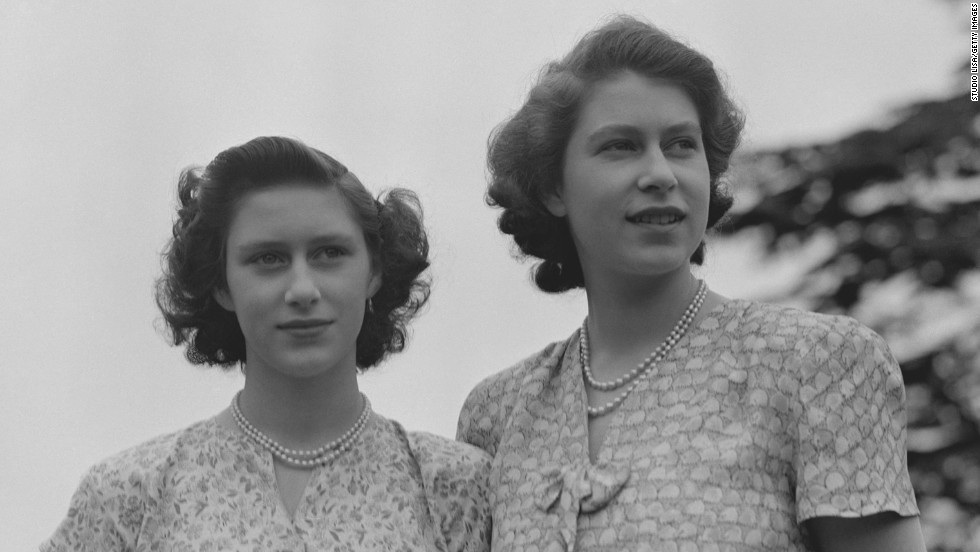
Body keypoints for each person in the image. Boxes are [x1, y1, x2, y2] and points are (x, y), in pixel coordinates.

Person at [457, 16, 925, 552]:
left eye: (681, 144)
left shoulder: (817, 366)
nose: (661, 173)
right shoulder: (497, 414)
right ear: (553, 188)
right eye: (620, 146)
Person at [43, 136, 490, 551]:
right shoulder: (128, 495)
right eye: (268, 259)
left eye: (330, 253)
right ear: (221, 284)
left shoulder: (454, 487)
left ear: (374, 272)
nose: (302, 289)